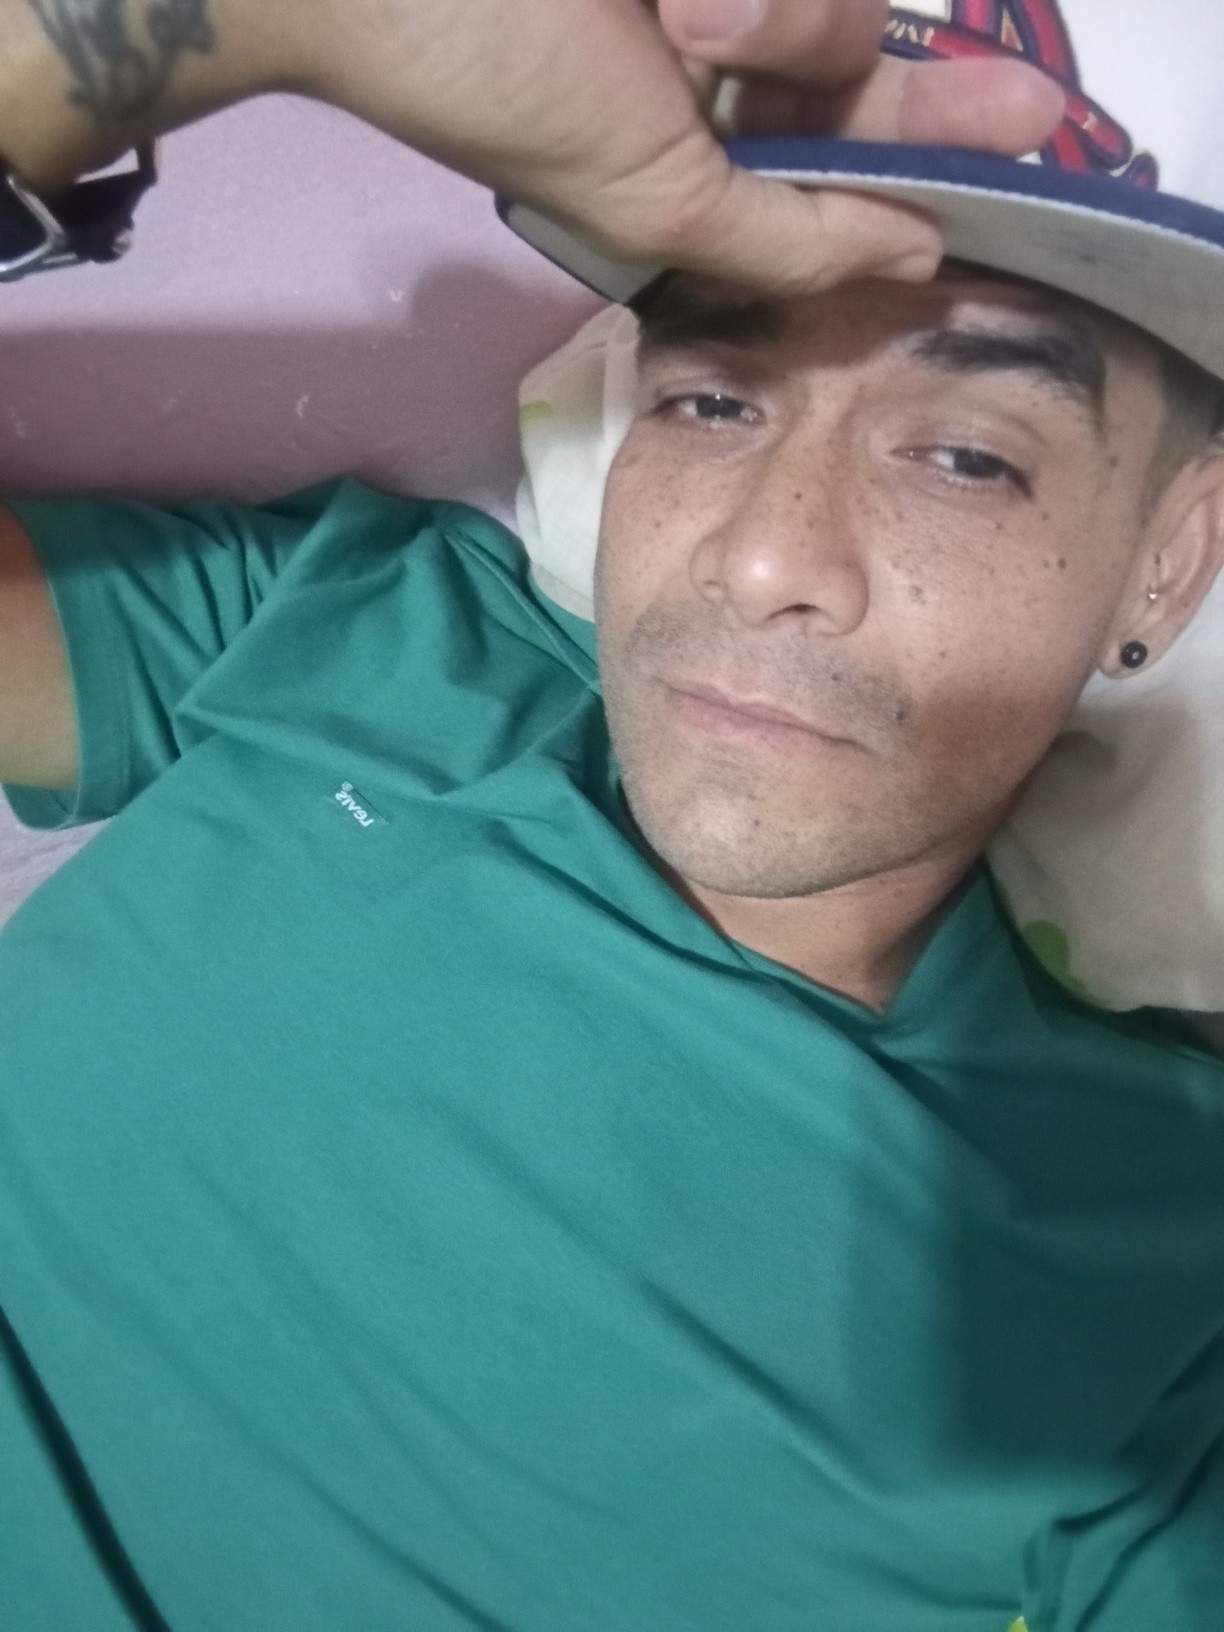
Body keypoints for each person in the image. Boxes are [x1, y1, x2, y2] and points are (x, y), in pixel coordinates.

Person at [1, 1, 1222, 1629]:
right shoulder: (378, 631)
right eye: (711, 400)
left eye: (964, 458)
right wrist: (231, 28)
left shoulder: (1161, 1249)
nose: (765, 557)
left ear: (1168, 560)